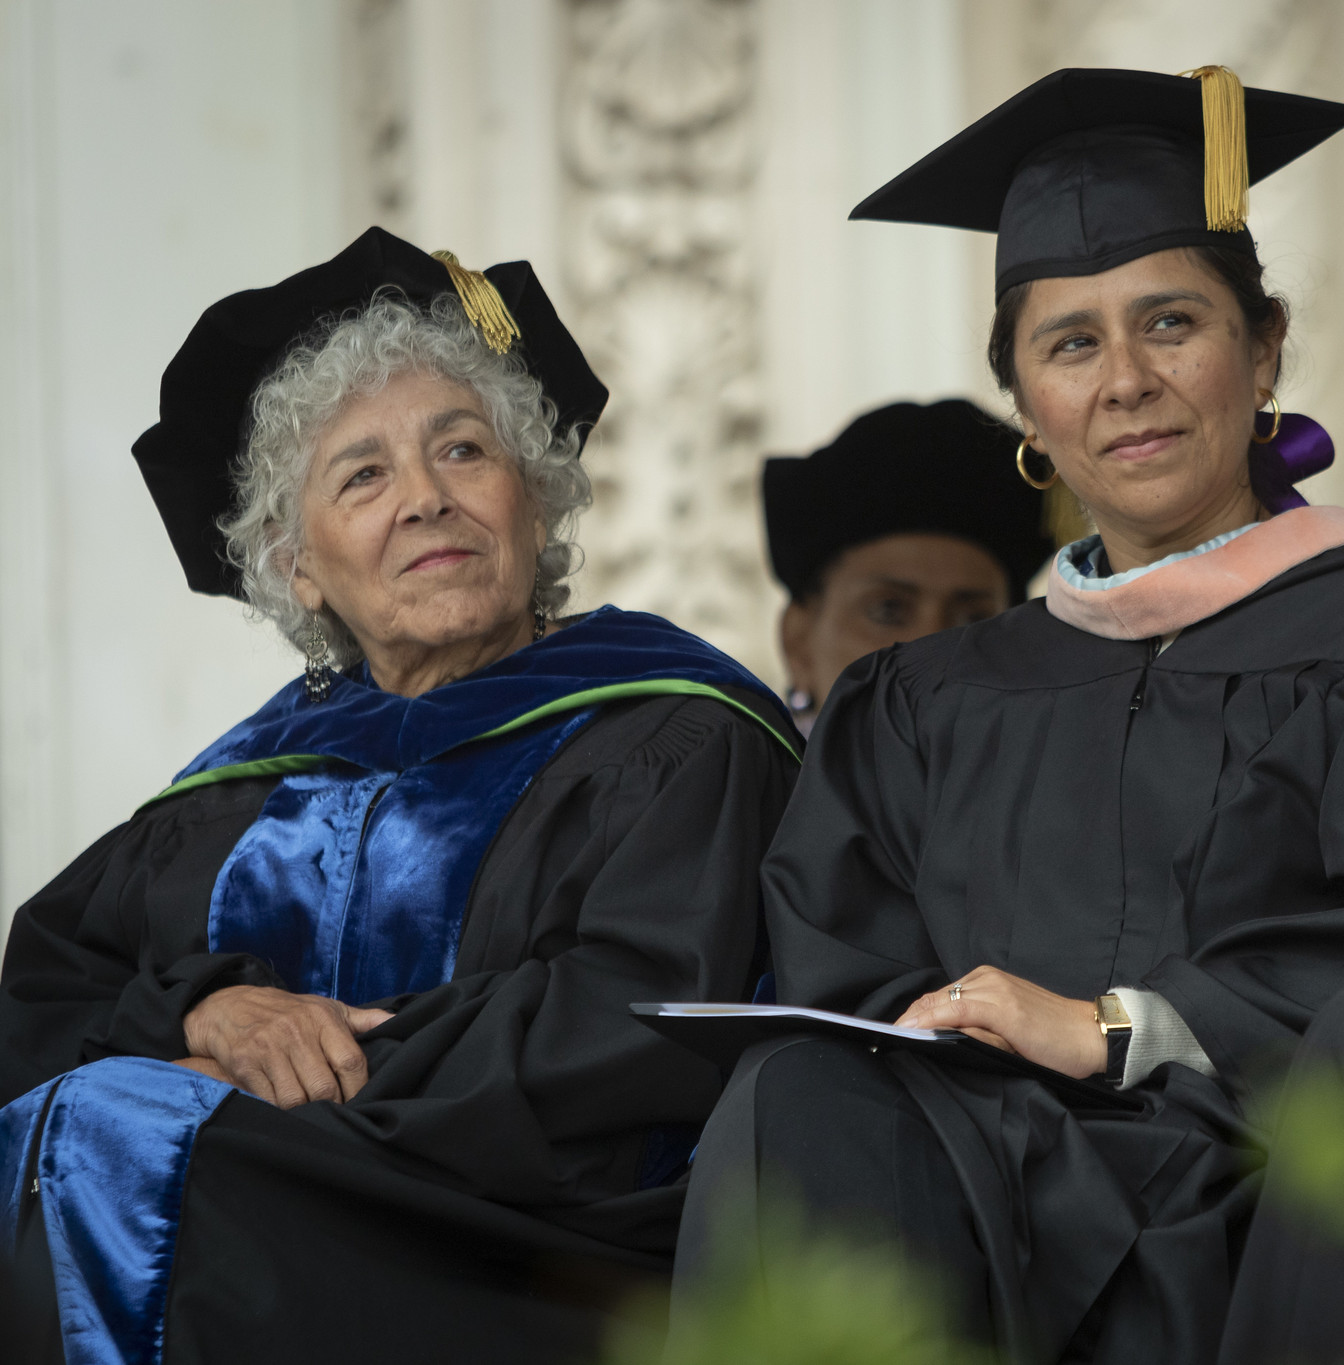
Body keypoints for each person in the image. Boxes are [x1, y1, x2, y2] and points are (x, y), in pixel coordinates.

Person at [672, 67, 1344, 1363]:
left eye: (1171, 322)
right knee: (796, 1097)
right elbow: (853, 979)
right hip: (985, 1195)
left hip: (1282, 1192)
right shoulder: (927, 701)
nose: (1126, 381)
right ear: (1027, 407)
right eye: (1071, 341)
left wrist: (1123, 1028)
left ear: (1263, 348)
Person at [0, 227, 800, 1364]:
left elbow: (648, 1023)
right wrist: (205, 1012)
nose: (424, 500)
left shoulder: (672, 736)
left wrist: (283, 1085)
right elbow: (45, 1000)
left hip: (530, 1264)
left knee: (121, 1141)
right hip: (257, 1229)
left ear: (535, 502)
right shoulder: (230, 797)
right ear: (298, 565)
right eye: (363, 474)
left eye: (463, 451)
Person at [764, 399, 1054, 734]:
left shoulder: (1069, 782)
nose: (931, 647)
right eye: (888, 609)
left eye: (975, 620)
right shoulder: (737, 783)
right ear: (797, 641)